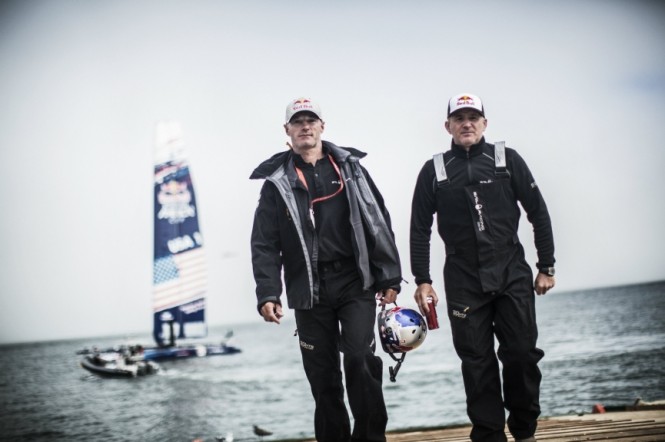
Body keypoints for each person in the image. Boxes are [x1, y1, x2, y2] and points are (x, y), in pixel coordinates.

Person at [250, 97, 402, 442]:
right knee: (323, 379)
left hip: (354, 281)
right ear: (287, 131)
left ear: (322, 126)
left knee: (360, 360)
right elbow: (263, 243)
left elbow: (378, 219)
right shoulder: (276, 183)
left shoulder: (350, 168)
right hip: (308, 289)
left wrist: (389, 275)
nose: (305, 126)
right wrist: (269, 293)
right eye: (298, 122)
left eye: (311, 120)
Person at [409, 93, 556, 442]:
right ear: (448, 126)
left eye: (473, 117)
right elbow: (419, 228)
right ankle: (489, 435)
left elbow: (538, 212)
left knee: (521, 356)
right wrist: (423, 280)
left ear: (485, 123)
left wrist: (546, 265)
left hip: (511, 273)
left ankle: (525, 432)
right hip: (463, 279)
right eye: (459, 118)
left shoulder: (507, 160)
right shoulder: (435, 170)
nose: (467, 123)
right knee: (477, 364)